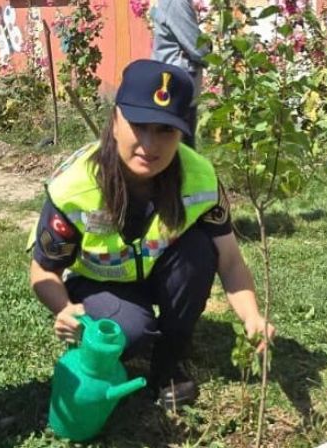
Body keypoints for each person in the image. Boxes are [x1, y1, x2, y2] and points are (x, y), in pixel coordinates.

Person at [28, 59, 272, 409]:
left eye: (165, 130)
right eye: (139, 125)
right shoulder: (75, 187)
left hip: (160, 271)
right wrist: (65, 309)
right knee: (130, 334)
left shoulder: (199, 178)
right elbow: (43, 270)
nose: (150, 144)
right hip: (97, 282)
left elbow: (231, 261)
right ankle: (130, 335)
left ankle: (170, 360)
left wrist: (252, 317)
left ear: (181, 133)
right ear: (114, 122)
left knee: (200, 250)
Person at [151, 0, 209, 147]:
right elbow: (199, 49)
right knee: (181, 154)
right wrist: (210, 46)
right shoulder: (176, 2)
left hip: (177, 88)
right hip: (178, 90)